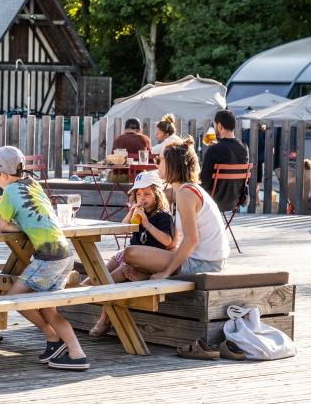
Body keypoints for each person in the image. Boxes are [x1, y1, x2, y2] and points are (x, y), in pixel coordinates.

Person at [0, 145, 88, 370]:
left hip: (47, 257)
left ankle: (53, 338)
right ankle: (75, 352)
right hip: (65, 253)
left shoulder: (9, 192)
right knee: (48, 309)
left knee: (15, 298)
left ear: (4, 175)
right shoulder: (32, 184)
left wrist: (14, 221)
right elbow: (20, 197)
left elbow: (2, 225)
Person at [86, 170, 176, 338]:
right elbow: (122, 227)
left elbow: (167, 241)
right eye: (138, 194)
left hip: (146, 262)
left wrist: (147, 224)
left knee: (111, 279)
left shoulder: (163, 216)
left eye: (147, 194)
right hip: (128, 256)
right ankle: (82, 288)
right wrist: (131, 212)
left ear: (157, 195)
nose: (142, 198)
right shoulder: (138, 212)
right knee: (101, 271)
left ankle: (103, 319)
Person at [123, 138, 230, 279]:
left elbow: (192, 239)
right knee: (129, 257)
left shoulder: (186, 193)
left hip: (205, 264)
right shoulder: (184, 190)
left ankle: (147, 276)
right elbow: (174, 241)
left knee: (130, 253)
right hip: (202, 259)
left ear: (172, 165)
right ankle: (144, 276)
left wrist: (166, 273)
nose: (157, 165)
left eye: (159, 161)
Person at [199, 109, 249, 212]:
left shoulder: (214, 150)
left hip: (213, 201)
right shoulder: (244, 148)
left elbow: (203, 182)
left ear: (220, 126)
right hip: (235, 200)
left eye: (214, 125)